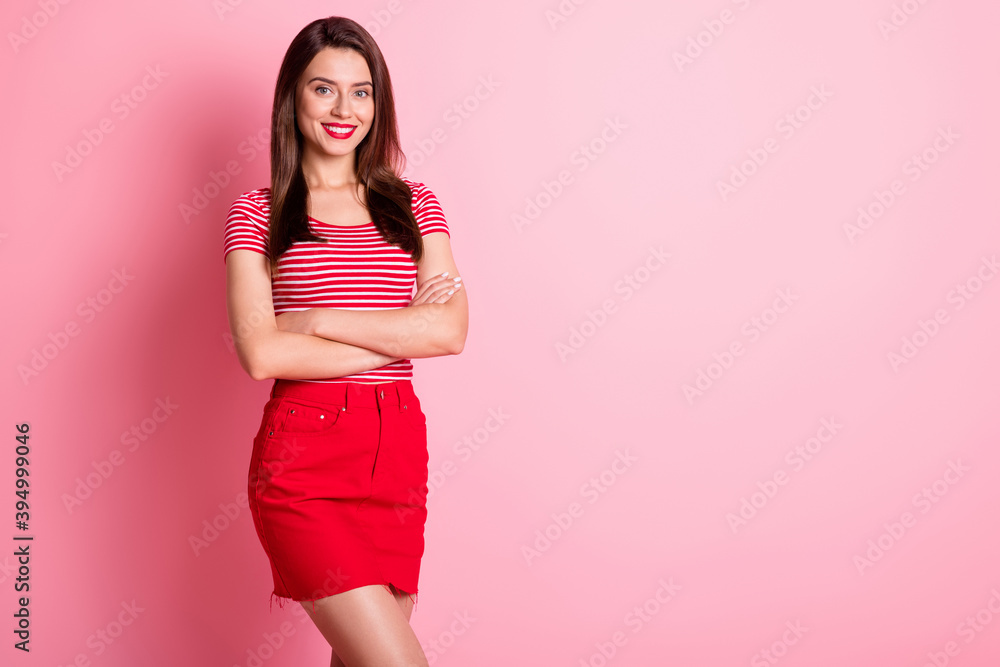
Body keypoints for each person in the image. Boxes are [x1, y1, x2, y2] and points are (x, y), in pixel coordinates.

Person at [223, 16, 468, 666]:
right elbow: (262, 353)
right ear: (292, 98)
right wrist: (397, 332)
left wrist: (309, 319)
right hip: (304, 461)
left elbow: (448, 329)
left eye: (362, 92)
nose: (344, 109)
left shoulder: (414, 204)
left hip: (397, 454)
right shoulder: (258, 213)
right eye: (323, 89)